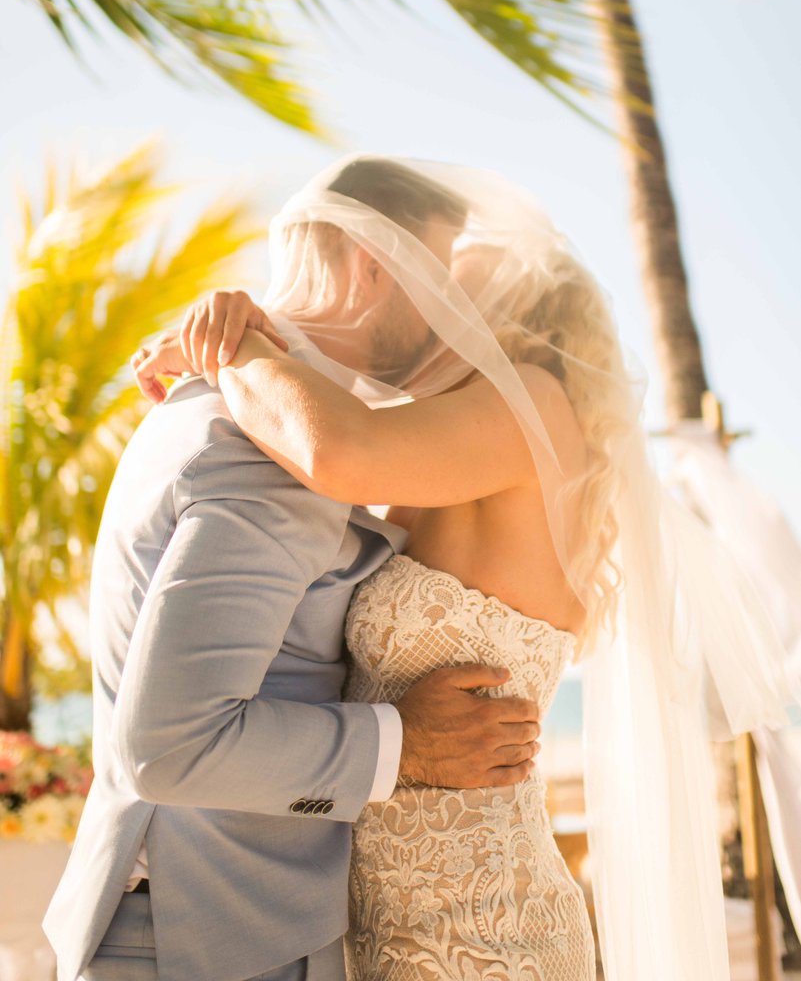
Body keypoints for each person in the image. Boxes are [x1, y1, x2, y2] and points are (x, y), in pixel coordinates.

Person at [135, 153, 799, 981]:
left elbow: (336, 447)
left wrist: (227, 348)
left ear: (516, 321)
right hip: (390, 920)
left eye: (455, 288)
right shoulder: (447, 457)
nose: (434, 304)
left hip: (486, 922)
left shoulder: (537, 408)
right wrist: (245, 323)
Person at [42, 161, 542, 981]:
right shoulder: (270, 449)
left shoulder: (222, 404)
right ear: (368, 262)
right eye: (441, 279)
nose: (458, 320)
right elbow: (165, 746)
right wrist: (404, 743)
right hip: (208, 937)